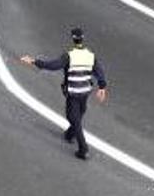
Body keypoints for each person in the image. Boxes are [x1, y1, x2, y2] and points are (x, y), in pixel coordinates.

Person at [20, 27, 108, 160]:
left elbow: (53, 65)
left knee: (73, 117)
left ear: (73, 39)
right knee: (80, 112)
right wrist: (102, 87)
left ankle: (83, 149)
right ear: (82, 39)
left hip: (73, 92)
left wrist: (33, 61)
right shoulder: (90, 55)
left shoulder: (69, 55)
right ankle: (70, 134)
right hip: (85, 91)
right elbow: (99, 71)